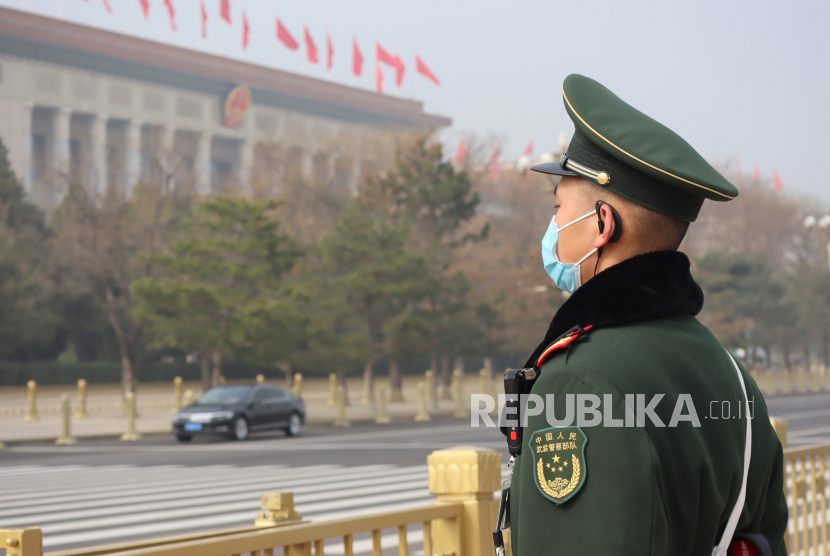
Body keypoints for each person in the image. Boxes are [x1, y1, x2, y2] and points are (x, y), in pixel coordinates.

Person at [505, 74, 787, 555]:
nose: (552, 227)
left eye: (558, 209)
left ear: (602, 224)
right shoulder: (731, 373)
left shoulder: (580, 379)